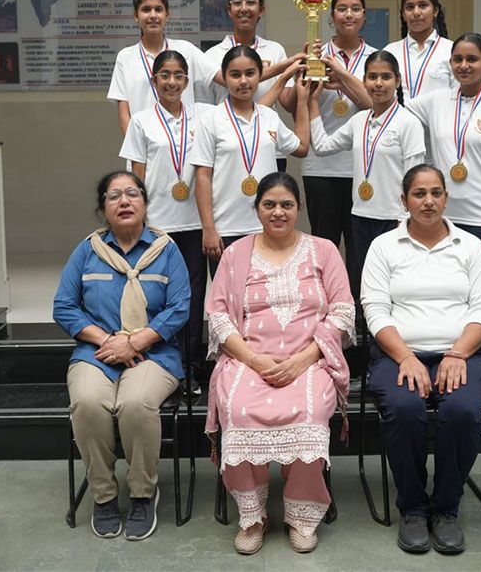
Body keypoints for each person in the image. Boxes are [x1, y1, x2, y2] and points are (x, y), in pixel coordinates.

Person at [204, 172, 353, 555]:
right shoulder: (236, 254)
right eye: (269, 204)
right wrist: (253, 359)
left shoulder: (323, 250)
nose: (278, 212)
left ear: (299, 208)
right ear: (257, 209)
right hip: (248, 359)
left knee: (310, 411)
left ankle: (302, 517)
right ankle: (252, 516)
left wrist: (303, 359)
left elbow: (342, 310)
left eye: (287, 204)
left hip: (310, 360)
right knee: (237, 408)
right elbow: (218, 316)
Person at [361, 164, 481, 555]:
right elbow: (375, 310)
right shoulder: (384, 247)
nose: (428, 201)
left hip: (463, 352)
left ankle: (446, 508)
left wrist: (458, 352)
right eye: (419, 194)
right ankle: (414, 508)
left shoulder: (469, 246)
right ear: (404, 200)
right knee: (404, 408)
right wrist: (405, 357)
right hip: (398, 354)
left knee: (462, 410)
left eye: (436, 193)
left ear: (446, 198)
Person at [53, 171, 191, 541]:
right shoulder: (87, 251)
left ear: (145, 203)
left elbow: (180, 307)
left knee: (136, 403)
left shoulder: (167, 250)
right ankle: (104, 495)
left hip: (154, 354)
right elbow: (64, 306)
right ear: (103, 209)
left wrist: (136, 342)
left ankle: (143, 493)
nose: (124, 201)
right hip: (96, 351)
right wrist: (109, 341)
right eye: (114, 196)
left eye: (132, 193)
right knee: (87, 401)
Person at [403, 33, 481, 404]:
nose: (464, 65)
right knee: (452, 296)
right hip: (444, 221)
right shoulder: (437, 101)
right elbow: (389, 101)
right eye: (457, 59)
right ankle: (455, 364)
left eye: (472, 59)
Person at [118, 51, 207, 394]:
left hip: (195, 223)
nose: (172, 82)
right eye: (165, 75)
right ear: (154, 81)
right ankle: (158, 363)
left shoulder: (204, 116)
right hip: (156, 225)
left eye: (178, 75)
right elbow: (136, 178)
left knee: (193, 298)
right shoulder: (141, 121)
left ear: (187, 81)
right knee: (156, 297)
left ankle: (190, 366)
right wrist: (138, 224)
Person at [308, 50, 426, 301]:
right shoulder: (359, 121)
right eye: (372, 77)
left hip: (393, 219)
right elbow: (321, 146)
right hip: (360, 216)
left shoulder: (408, 123)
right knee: (365, 283)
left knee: (394, 287)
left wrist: (406, 220)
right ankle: (364, 328)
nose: (378, 83)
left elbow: (415, 179)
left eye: (386, 77)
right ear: (363, 81)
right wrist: (313, 103)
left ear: (398, 80)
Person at [190, 46, 312, 277]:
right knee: (230, 294)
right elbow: (202, 176)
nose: (243, 81)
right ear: (225, 78)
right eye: (235, 75)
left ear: (260, 75)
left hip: (266, 226)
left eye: (250, 73)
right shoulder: (211, 119)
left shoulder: (269, 117)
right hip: (226, 228)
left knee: (266, 294)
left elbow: (302, 148)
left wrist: (302, 100)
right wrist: (209, 229)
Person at [280, 0, 374, 258]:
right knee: (324, 246)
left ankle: (357, 289)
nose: (349, 14)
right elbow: (289, 104)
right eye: (342, 9)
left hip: (361, 166)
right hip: (319, 167)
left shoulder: (374, 58)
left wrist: (342, 78)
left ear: (364, 15)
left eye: (355, 9)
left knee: (359, 249)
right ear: (331, 16)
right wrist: (303, 78)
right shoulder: (315, 54)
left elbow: (373, 105)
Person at [107, 0, 222, 135]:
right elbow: (124, 115)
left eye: (158, 9)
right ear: (136, 16)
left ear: (167, 15)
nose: (153, 15)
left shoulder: (186, 50)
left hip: (186, 143)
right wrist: (135, 145)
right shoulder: (125, 57)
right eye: (146, 10)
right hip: (146, 143)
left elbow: (225, 78)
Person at [197, 0, 298, 105]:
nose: (244, 8)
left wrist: (302, 78)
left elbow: (288, 103)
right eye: (237, 2)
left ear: (261, 10)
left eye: (250, 2)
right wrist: (280, 68)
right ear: (229, 10)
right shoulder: (211, 56)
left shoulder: (275, 50)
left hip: (267, 118)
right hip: (223, 118)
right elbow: (204, 106)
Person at [382, 0, 455, 102]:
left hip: (439, 115)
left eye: (423, 5)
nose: (416, 12)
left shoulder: (451, 50)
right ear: (403, 14)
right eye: (410, 7)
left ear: (435, 10)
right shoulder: (390, 51)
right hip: (398, 114)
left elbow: (459, 97)